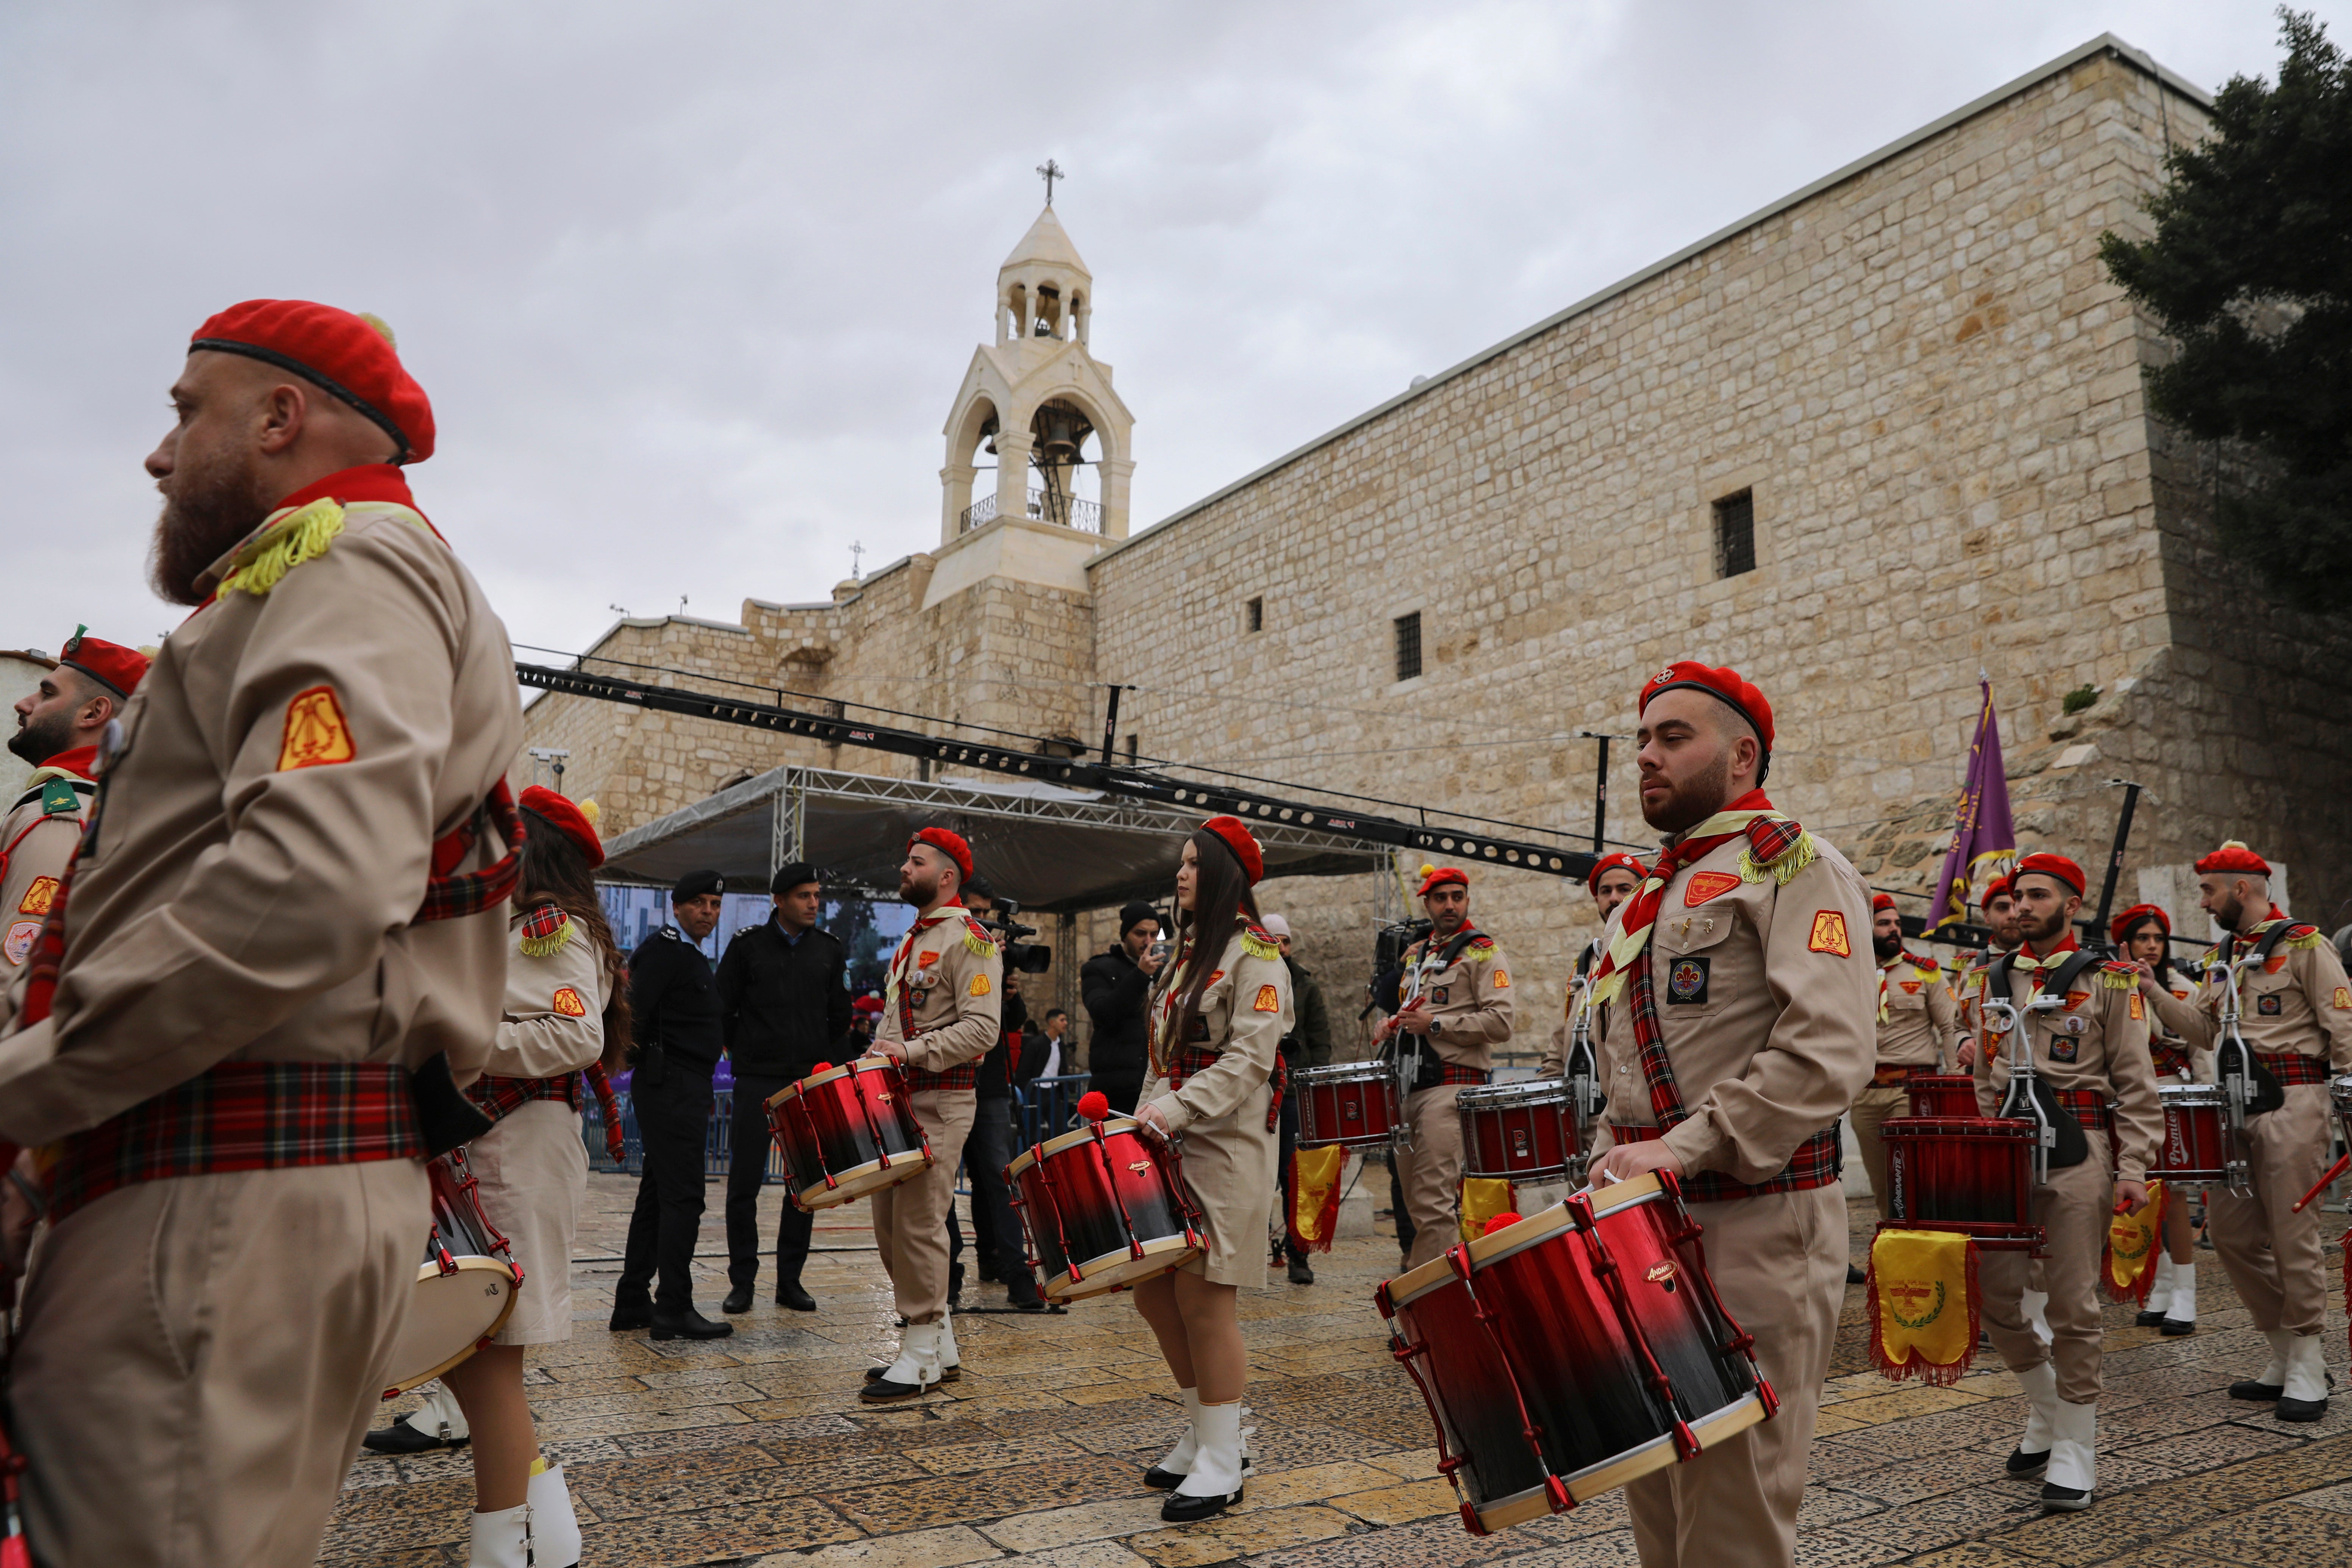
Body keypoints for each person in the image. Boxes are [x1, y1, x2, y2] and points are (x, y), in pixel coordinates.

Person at [0, 299, 522, 1568]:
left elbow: (311, 882)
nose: (158, 455)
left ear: (280, 416)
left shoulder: (353, 557)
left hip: (224, 1179)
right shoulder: (307, 572)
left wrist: (24, 1096)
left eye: (186, 412)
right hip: (201, 1164)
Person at [1584, 662, 1873, 1568]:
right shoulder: (1647, 895)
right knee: (1659, 1504)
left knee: (1734, 1521)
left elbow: (1828, 1051)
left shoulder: (1795, 864)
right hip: (1649, 1230)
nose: (1646, 756)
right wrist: (1604, 1166)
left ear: (1743, 754)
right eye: (1642, 739)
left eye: (1674, 737)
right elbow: (1627, 1066)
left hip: (1756, 1220)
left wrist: (1681, 1147)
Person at [449, 788, 630, 1566]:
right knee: (476, 1356)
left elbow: (574, 1031)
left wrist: (455, 1035)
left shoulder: (548, 929)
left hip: (518, 1147)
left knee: (488, 1354)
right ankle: (542, 1533)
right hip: (500, 1143)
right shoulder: (513, 925)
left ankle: (510, 1543)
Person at [1971, 852, 2159, 1512]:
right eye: (2015, 894)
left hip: (2080, 1148)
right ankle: (2047, 1408)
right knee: (1992, 1294)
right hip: (2005, 1150)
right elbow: (1981, 1076)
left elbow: (2137, 1086)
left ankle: (2076, 1442)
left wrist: (2133, 1167)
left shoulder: (2109, 981)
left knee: (2071, 1303)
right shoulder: (1993, 977)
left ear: (2070, 904)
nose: (2020, 904)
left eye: (2036, 894)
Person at [2143, 841, 2352, 1421]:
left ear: (2241, 888)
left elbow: (2342, 1021)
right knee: (2232, 1234)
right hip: (2233, 1102)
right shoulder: (2222, 955)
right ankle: (2285, 1350)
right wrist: (2153, 990)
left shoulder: (2304, 944)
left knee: (2293, 1232)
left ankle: (2309, 1358)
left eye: (2209, 891)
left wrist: (2345, 1093)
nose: (2203, 902)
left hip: (2292, 1096)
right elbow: (2204, 1030)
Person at [1133, 816, 1291, 1521]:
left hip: (1224, 1143)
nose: (1181, 873)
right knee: (1154, 1294)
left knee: (1204, 1298)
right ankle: (1204, 1431)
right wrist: (1136, 1121)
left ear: (1226, 873)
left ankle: (1224, 1456)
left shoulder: (1257, 954)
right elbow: (1161, 1058)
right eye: (1181, 862)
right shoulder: (1185, 955)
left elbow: (1249, 1059)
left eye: (1195, 863)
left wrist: (1173, 1109)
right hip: (1170, 1138)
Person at [861, 828, 1002, 1399]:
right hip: (897, 1097)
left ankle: (919, 1351)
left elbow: (983, 1029)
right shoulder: (914, 939)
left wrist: (910, 1053)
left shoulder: (971, 939)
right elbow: (899, 1022)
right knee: (891, 1224)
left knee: (920, 1222)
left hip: (940, 1097)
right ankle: (938, 1342)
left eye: (915, 861)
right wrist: (874, 1054)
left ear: (946, 876)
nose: (904, 867)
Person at [715, 860, 850, 1313]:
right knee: (744, 1185)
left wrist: (823, 1067)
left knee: (805, 1187)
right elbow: (723, 1010)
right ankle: (742, 1281)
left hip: (807, 1084)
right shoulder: (747, 947)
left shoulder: (828, 950)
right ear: (778, 900)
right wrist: (747, 1052)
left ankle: (790, 1280)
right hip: (756, 1078)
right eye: (803, 896)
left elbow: (841, 1018)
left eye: (816, 895)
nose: (814, 903)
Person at [613, 869, 734, 1340]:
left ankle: (632, 1299)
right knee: (684, 1196)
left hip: (681, 1084)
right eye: (699, 903)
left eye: (715, 905)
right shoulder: (666, 951)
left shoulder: (688, 953)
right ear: (677, 906)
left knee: (657, 1194)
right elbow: (634, 1014)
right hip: (671, 1085)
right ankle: (673, 1307)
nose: (708, 912)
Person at [1377, 866, 1513, 1271]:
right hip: (1407, 1088)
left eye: (1457, 896)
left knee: (1434, 1201)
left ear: (1467, 900)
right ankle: (1429, 1287)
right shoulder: (1418, 955)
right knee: (1415, 1203)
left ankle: (1440, 1303)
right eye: (1441, 897)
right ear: (1427, 904)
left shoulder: (1483, 951)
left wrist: (1436, 1024)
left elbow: (1501, 1023)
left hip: (1450, 1087)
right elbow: (1410, 1010)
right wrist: (1391, 1024)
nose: (1449, 904)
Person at [1, 632, 147, 989]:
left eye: (47, 693)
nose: (24, 703)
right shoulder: (106, 804)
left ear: (94, 712)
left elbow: (14, 976)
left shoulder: (59, 815)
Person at [950, 877, 1044, 1310]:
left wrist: (1007, 988)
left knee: (998, 1177)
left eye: (988, 911)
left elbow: (1012, 1022)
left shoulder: (992, 956)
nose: (983, 919)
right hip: (947, 1081)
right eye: (975, 910)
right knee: (939, 1186)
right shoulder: (947, 946)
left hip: (988, 1087)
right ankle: (947, 1273)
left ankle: (1017, 1271)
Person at [2113, 903, 2199, 1335]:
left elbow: (2200, 1044)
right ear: (2123, 943)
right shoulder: (2107, 983)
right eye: (2142, 937)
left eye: (2158, 938)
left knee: (2175, 1195)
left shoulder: (2180, 987)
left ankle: (2186, 1289)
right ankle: (2162, 1283)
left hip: (2169, 1093)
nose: (2150, 946)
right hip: (2126, 1099)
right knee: (2143, 1194)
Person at [1851, 893, 1960, 1224]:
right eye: (1884, 923)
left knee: (1912, 1177)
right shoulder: (1852, 974)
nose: (1894, 930)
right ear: (1865, 927)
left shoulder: (1924, 972)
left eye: (1896, 923)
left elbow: (1950, 1026)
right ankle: (1892, 1250)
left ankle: (1923, 1246)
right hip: (1864, 1093)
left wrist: (1954, 1079)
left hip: (1910, 1091)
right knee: (1882, 1184)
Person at [1262, 912, 1332, 1285]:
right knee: (1255, 1176)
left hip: (1292, 1095)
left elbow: (1321, 1040)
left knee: (1294, 1178)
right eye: (1273, 939)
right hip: (1255, 1091)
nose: (1280, 947)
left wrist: (1312, 1085)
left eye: (1285, 941)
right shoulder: (1250, 978)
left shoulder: (1306, 985)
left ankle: (1297, 1255)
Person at [1539, 850, 1646, 1077]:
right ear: (1597, 899)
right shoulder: (1585, 961)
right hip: (1580, 1103)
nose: (1614, 898)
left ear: (1642, 893)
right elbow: (1565, 1035)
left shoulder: (1651, 950)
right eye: (1605, 891)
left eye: (1624, 889)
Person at [1082, 901, 1165, 1112]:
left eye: (1155, 935)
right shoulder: (1098, 968)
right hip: (1117, 1089)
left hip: (1157, 1086)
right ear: (1125, 934)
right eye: (1140, 934)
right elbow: (1104, 1013)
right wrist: (1140, 975)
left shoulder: (1162, 971)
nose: (1149, 941)